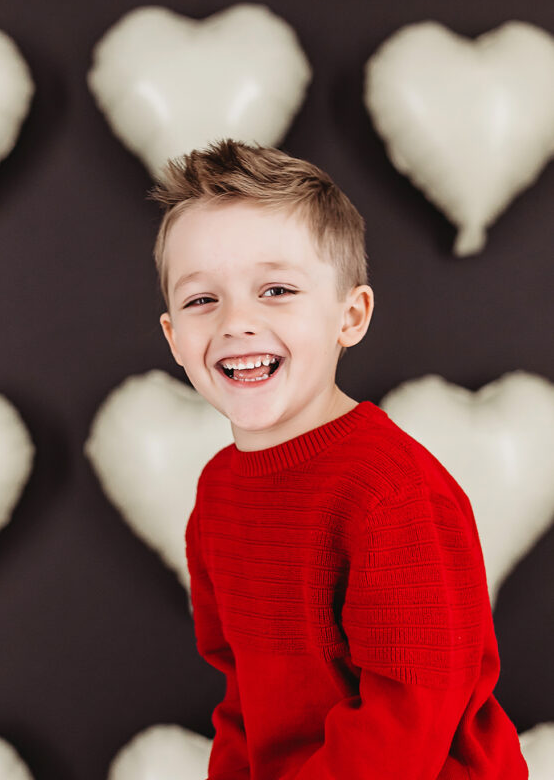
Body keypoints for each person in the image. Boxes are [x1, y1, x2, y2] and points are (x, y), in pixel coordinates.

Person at [150, 138, 528, 780]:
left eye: (275, 290)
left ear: (349, 316)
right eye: (201, 300)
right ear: (175, 339)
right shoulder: (219, 491)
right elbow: (242, 695)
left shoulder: (389, 491)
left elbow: (411, 713)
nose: (237, 321)